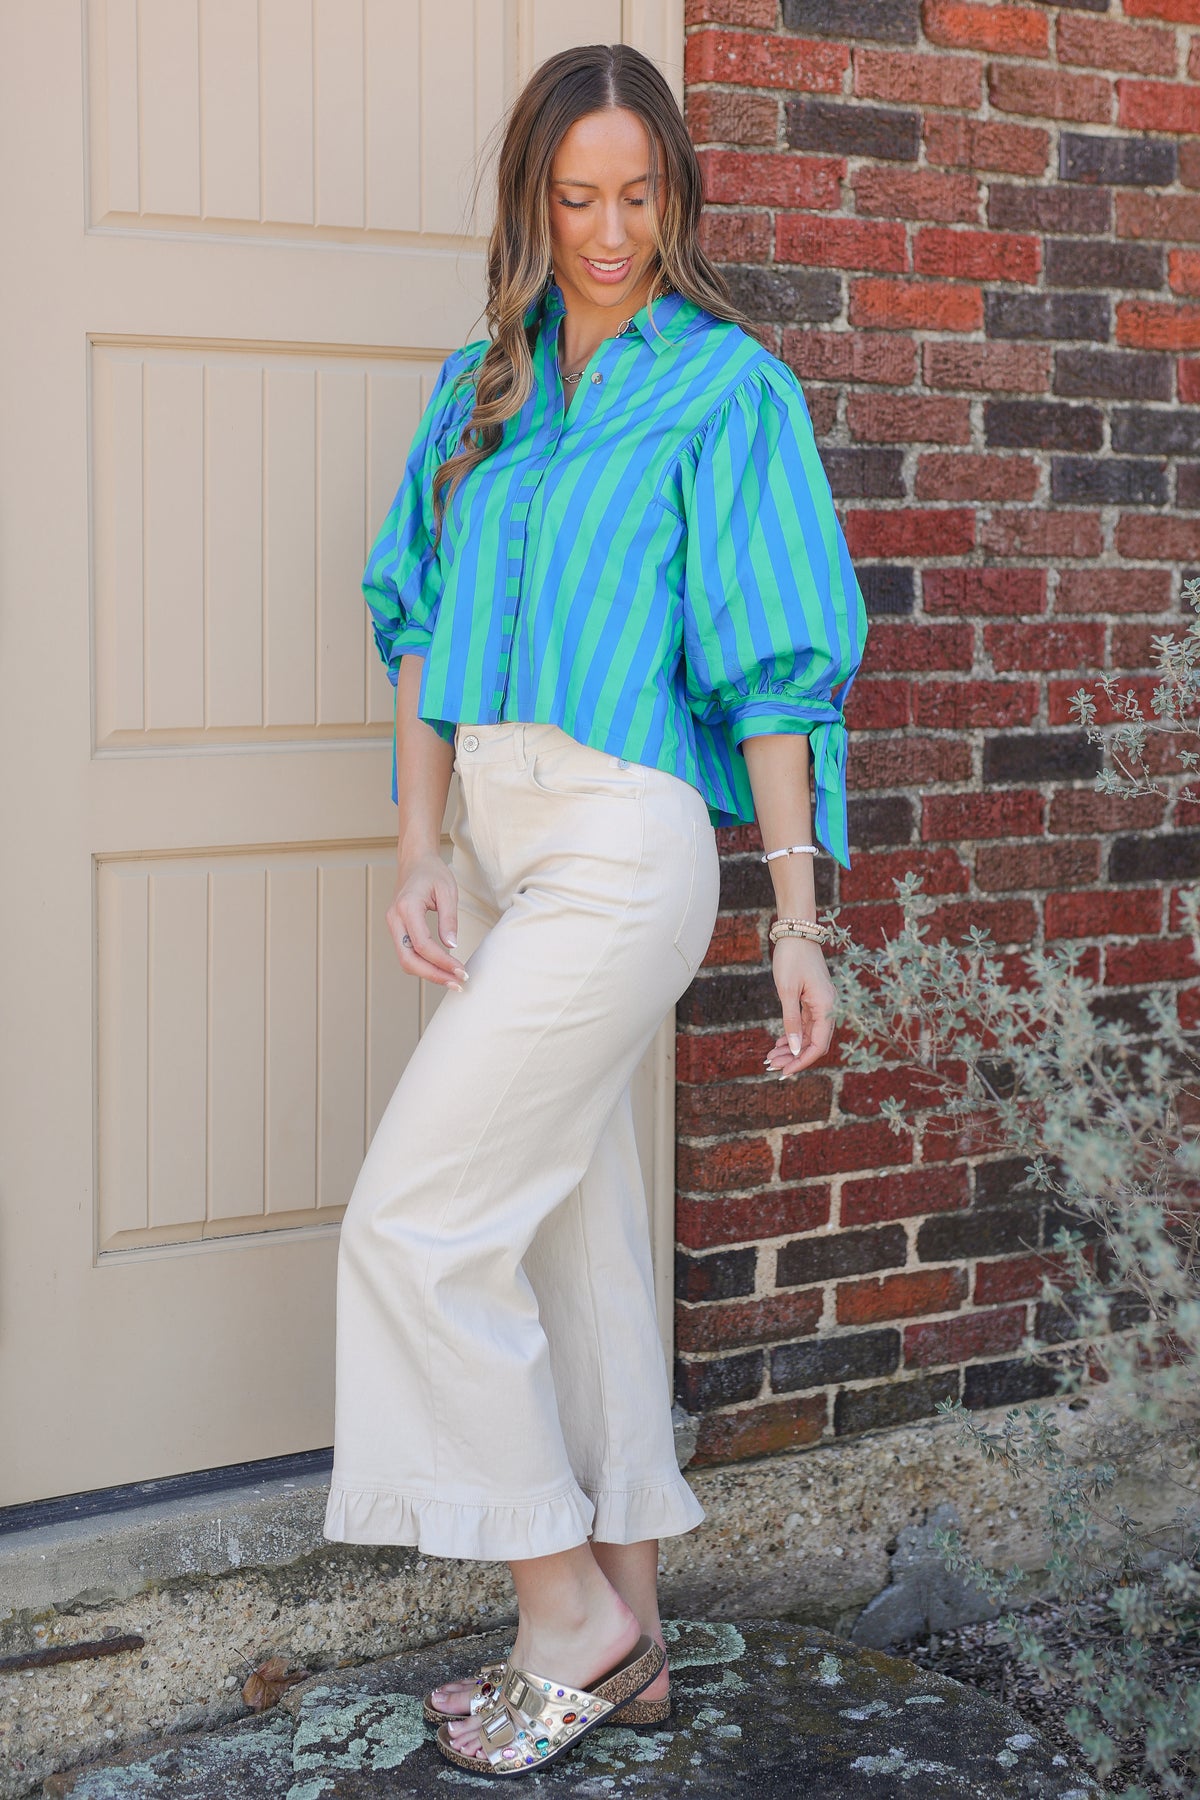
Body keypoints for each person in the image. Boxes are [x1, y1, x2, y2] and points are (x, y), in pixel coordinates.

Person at [321, 40, 868, 1779]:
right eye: (579, 198)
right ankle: (630, 1623)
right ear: (532, 203)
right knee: (573, 1237)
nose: (612, 230)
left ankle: (565, 1607)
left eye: (641, 196)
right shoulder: (481, 387)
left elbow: (777, 669)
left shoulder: (727, 389)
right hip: (495, 843)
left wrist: (795, 919)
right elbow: (415, 625)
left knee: (413, 1224)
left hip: (630, 845)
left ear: (678, 197)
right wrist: (420, 848)